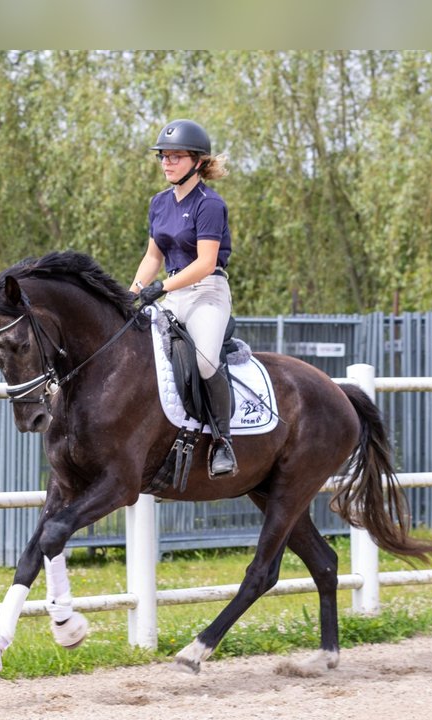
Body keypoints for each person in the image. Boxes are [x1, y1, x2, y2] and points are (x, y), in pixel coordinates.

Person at [130, 118, 237, 477]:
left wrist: (160, 288)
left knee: (206, 360)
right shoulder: (159, 203)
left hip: (207, 292)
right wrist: (131, 293)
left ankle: (224, 442)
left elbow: (206, 263)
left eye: (175, 157)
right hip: (173, 291)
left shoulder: (210, 204)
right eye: (163, 156)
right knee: (140, 354)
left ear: (197, 161)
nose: (166, 163)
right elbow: (153, 257)